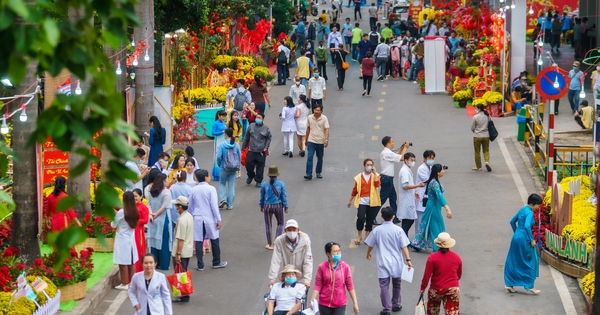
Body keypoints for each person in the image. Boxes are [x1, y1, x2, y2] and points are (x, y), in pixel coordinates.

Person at [365, 206, 412, 315]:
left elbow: (370, 244)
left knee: (384, 285)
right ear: (393, 217)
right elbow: (404, 246)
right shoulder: (398, 230)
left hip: (383, 262)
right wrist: (408, 259)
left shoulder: (377, 230)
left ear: (381, 216)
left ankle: (387, 308)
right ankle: (396, 304)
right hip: (397, 262)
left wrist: (368, 253)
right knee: (397, 283)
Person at [504, 193, 543, 295]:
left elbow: (512, 222)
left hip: (516, 238)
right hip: (524, 239)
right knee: (531, 261)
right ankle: (530, 286)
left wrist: (517, 233)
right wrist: (531, 240)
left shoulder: (522, 209)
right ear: (534, 204)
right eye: (538, 205)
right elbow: (526, 226)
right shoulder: (529, 213)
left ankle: (509, 283)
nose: (538, 207)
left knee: (514, 260)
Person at [188, 169, 227, 270]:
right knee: (214, 239)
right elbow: (214, 206)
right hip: (209, 217)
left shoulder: (193, 189)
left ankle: (200, 265)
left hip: (197, 217)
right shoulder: (211, 189)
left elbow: (190, 206)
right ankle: (216, 261)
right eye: (209, 176)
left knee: (198, 240)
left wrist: (192, 215)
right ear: (205, 178)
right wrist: (218, 219)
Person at [411, 164, 452, 252]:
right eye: (442, 170)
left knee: (427, 225)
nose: (443, 171)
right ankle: (438, 246)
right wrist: (447, 208)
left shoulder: (435, 182)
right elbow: (439, 195)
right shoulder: (434, 183)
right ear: (438, 172)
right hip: (433, 207)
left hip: (434, 206)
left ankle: (417, 243)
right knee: (436, 225)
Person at [311, 242, 359, 315]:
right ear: (328, 254)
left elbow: (350, 286)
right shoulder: (322, 267)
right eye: (335, 251)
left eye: (339, 251)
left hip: (340, 303)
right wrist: (312, 300)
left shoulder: (345, 267)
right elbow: (318, 285)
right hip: (324, 303)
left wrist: (355, 303)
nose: (337, 253)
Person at [420, 232, 462, 315]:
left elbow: (426, 276)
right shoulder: (456, 257)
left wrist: (422, 288)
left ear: (437, 244)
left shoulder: (432, 257)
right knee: (452, 312)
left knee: (433, 311)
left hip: (436, 289)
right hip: (453, 288)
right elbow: (459, 275)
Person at [268, 219, 313, 288]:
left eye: (294, 229)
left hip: (300, 275)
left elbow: (308, 260)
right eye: (289, 230)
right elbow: (275, 260)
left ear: (298, 230)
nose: (291, 232)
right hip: (287, 274)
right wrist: (272, 279)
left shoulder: (305, 240)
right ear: (285, 230)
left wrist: (307, 280)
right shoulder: (279, 241)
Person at [347, 158, 381, 245]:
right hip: (362, 200)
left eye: (371, 165)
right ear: (364, 166)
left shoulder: (376, 175)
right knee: (361, 218)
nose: (369, 166)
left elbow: (377, 185)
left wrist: (375, 174)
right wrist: (350, 200)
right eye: (367, 165)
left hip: (372, 201)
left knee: (370, 219)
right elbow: (355, 190)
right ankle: (359, 235)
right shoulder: (359, 177)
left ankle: (367, 236)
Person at [112, 191, 140, 290]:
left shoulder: (121, 212)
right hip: (130, 237)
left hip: (122, 238)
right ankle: (132, 283)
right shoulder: (135, 210)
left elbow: (113, 224)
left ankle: (124, 283)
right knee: (131, 261)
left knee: (122, 261)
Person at [378, 136, 408, 224]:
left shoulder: (387, 153)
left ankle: (394, 216)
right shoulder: (386, 153)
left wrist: (402, 147)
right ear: (388, 143)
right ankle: (372, 216)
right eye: (392, 142)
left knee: (393, 198)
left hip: (388, 179)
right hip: (386, 179)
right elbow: (402, 158)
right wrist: (405, 148)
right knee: (382, 199)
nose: (393, 143)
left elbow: (397, 155)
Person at [147, 173, 173, 271]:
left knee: (154, 241)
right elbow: (165, 206)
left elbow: (148, 204)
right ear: (163, 181)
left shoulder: (151, 190)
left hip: (152, 219)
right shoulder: (166, 192)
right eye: (167, 179)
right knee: (164, 242)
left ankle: (154, 262)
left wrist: (151, 214)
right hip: (163, 218)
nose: (168, 181)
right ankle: (164, 264)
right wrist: (156, 214)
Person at [171, 196, 194, 302]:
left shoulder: (181, 220)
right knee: (183, 272)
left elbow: (180, 239)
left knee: (181, 273)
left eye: (176, 205)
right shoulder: (189, 216)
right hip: (187, 249)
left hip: (182, 250)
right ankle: (184, 293)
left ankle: (184, 294)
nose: (176, 207)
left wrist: (178, 254)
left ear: (180, 207)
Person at [397, 152, 425, 239]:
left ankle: (404, 238)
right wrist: (418, 185)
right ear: (406, 160)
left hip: (408, 198)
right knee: (409, 220)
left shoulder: (406, 170)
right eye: (411, 160)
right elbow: (405, 186)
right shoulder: (404, 171)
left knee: (406, 220)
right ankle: (402, 237)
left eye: (414, 160)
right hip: (406, 200)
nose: (413, 162)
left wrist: (414, 192)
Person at [260, 165, 289, 250]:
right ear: (277, 174)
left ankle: (270, 244)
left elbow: (262, 196)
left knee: (268, 225)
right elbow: (284, 196)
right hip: (278, 205)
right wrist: (286, 207)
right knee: (280, 223)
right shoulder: (281, 184)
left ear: (269, 174)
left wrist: (261, 206)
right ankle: (277, 242)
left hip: (267, 206)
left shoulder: (264, 184)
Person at [242, 112, 272, 187]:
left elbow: (269, 138)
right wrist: (243, 146)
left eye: (260, 118)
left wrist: (266, 147)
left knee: (260, 167)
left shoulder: (266, 128)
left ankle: (258, 181)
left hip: (261, 151)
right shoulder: (251, 126)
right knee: (248, 164)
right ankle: (251, 176)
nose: (258, 119)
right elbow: (246, 137)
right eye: (257, 117)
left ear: (263, 119)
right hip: (251, 150)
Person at [217, 128, 241, 210]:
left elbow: (219, 157)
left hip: (224, 167)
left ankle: (223, 199)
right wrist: (238, 167)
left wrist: (219, 164)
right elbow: (239, 157)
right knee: (231, 186)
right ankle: (230, 204)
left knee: (222, 183)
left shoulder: (222, 145)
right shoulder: (236, 145)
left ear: (226, 134)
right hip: (234, 168)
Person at [304, 104, 329, 180]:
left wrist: (326, 140)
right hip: (311, 140)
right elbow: (308, 128)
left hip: (320, 141)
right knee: (310, 157)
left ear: (321, 111)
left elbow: (326, 129)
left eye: (318, 110)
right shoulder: (310, 118)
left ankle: (318, 172)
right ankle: (309, 173)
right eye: (315, 110)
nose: (316, 112)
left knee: (320, 158)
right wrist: (306, 139)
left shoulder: (324, 118)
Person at [415, 150, 435, 237]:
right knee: (420, 219)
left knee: (427, 218)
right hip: (421, 195)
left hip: (427, 196)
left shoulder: (430, 168)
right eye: (429, 158)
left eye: (433, 158)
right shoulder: (421, 168)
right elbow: (427, 180)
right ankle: (418, 238)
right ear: (424, 159)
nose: (431, 160)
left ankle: (425, 238)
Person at [132, 189, 150, 273]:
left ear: (141, 196)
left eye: (136, 196)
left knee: (139, 251)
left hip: (138, 232)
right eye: (133, 196)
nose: (134, 198)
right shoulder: (130, 206)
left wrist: (135, 221)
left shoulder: (143, 207)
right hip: (130, 231)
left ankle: (139, 271)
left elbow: (145, 220)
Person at [471, 104, 492, 172]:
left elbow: (472, 128)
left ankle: (479, 167)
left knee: (477, 152)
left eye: (476, 108)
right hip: (486, 135)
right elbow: (490, 124)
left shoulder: (475, 117)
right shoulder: (487, 116)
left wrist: (475, 131)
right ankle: (487, 162)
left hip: (477, 136)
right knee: (486, 150)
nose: (475, 109)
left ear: (479, 109)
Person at [212, 110, 228, 180]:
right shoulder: (215, 123)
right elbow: (213, 132)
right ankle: (217, 174)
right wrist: (221, 132)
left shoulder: (224, 123)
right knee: (218, 156)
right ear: (219, 116)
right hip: (218, 140)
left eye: (224, 116)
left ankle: (224, 173)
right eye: (222, 116)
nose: (223, 118)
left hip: (224, 140)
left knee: (224, 155)